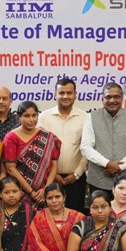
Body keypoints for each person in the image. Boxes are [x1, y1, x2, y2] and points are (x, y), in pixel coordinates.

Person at [81, 82, 126, 201]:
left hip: (125, 182)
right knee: (99, 211)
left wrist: (120, 167)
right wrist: (107, 163)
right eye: (108, 97)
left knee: (125, 213)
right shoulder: (91, 117)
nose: (112, 100)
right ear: (102, 99)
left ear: (122, 98)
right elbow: (86, 147)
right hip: (98, 181)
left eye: (116, 97)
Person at [38, 78, 89, 212]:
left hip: (76, 180)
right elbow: (40, 150)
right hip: (49, 179)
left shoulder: (85, 118)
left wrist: (77, 174)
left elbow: (88, 149)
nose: (65, 96)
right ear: (55, 94)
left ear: (75, 95)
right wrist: (53, 174)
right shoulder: (44, 118)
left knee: (76, 216)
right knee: (50, 217)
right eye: (61, 93)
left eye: (69, 93)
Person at [3, 100, 60, 208]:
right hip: (19, 193)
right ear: (19, 117)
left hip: (44, 195)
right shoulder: (11, 138)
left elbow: (54, 166)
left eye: (34, 115)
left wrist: (46, 190)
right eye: (27, 116)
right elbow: (10, 169)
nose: (31, 120)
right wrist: (32, 192)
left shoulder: (47, 136)